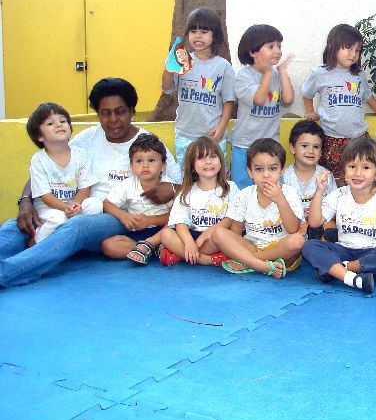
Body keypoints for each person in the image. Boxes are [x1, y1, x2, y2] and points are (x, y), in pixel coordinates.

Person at [0, 78, 180, 287]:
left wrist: (174, 188)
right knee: (17, 226)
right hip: (74, 206)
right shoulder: (85, 140)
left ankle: (8, 273)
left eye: (120, 111)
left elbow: (180, 186)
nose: (113, 119)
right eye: (105, 113)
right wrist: (25, 200)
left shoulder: (148, 143)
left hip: (116, 217)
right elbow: (48, 167)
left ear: (132, 110)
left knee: (77, 227)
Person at [302, 138, 376, 294]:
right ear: (344, 170)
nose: (358, 173)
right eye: (352, 166)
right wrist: (319, 191)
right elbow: (314, 222)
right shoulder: (339, 195)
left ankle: (338, 270)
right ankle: (353, 279)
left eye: (366, 167)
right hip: (344, 249)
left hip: (374, 251)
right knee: (310, 246)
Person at [301, 24, 376, 184]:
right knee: (334, 180)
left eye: (357, 50)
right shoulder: (319, 73)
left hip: (359, 137)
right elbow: (307, 94)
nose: (353, 54)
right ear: (334, 46)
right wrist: (310, 112)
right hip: (331, 138)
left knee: (363, 175)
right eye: (348, 48)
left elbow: (367, 96)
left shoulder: (358, 75)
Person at [211, 139, 304, 278]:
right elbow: (236, 231)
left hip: (280, 250)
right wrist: (237, 248)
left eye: (273, 168)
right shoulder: (244, 194)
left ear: (282, 170)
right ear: (250, 172)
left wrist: (280, 199)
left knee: (297, 241)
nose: (266, 175)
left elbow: (293, 229)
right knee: (218, 233)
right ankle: (261, 266)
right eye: (259, 169)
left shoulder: (289, 193)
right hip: (252, 245)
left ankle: (250, 261)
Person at [161, 7, 235, 167]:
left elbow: (229, 100)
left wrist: (222, 127)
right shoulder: (183, 61)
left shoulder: (223, 66)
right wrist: (169, 68)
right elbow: (167, 87)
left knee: (215, 177)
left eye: (204, 31)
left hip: (213, 136)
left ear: (214, 35)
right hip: (185, 134)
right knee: (186, 178)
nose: (198, 35)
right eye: (193, 31)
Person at [229, 24, 295, 189]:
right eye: (271, 46)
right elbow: (259, 99)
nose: (278, 51)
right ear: (253, 52)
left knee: (272, 187)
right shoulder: (243, 76)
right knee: (242, 188)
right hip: (245, 145)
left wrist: (283, 73)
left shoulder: (277, 74)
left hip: (270, 146)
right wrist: (267, 74)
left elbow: (288, 99)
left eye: (279, 46)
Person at [25, 102, 100, 243]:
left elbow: (85, 187)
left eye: (63, 121)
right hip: (49, 207)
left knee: (95, 204)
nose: (59, 125)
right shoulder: (39, 160)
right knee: (59, 219)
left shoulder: (82, 155)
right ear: (39, 136)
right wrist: (66, 208)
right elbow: (45, 196)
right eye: (50, 123)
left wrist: (75, 205)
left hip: (74, 204)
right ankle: (36, 241)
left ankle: (77, 241)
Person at [159, 136, 238, 267]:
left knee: (222, 237)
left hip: (215, 238)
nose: (208, 162)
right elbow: (180, 222)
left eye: (213, 156)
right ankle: (204, 259)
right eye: (201, 158)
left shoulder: (231, 188)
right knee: (166, 234)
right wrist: (189, 242)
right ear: (192, 166)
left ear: (220, 160)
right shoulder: (186, 191)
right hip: (193, 236)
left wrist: (209, 232)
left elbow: (231, 219)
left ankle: (182, 255)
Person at [100, 134, 174, 264]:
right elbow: (107, 204)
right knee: (108, 245)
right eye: (139, 161)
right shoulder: (129, 184)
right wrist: (124, 216)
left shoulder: (167, 186)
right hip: (138, 233)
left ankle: (151, 247)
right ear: (131, 166)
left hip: (163, 232)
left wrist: (148, 220)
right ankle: (148, 250)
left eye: (151, 160)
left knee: (175, 229)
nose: (145, 165)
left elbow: (176, 217)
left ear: (163, 165)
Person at [281, 120, 337, 240]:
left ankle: (322, 250)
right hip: (295, 223)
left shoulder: (326, 175)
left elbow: (334, 204)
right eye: (305, 146)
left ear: (321, 151)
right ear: (292, 148)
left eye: (316, 147)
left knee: (331, 228)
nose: (311, 151)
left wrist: (317, 213)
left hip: (320, 221)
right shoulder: (284, 176)